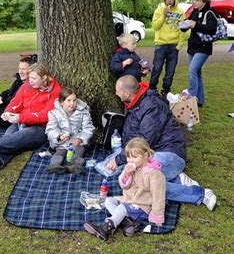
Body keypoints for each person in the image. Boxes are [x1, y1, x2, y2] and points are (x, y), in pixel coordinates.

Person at [106, 75, 216, 210]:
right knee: (129, 177)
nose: (116, 93)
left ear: (127, 93)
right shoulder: (135, 101)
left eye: (117, 91)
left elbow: (144, 140)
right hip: (153, 153)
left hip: (169, 152)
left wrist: (119, 159)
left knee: (142, 184)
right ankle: (178, 180)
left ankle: (200, 194)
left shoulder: (151, 106)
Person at [0, 63, 62, 173]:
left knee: (20, 136)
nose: (30, 81)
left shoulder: (55, 91)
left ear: (44, 78)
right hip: (21, 121)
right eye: (29, 77)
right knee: (11, 138)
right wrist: (8, 112)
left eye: (33, 78)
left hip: (43, 127)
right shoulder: (28, 85)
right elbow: (16, 101)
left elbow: (45, 115)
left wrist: (20, 118)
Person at [85, 138, 166, 241]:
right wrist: (127, 173)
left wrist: (156, 215)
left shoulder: (155, 174)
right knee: (108, 201)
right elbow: (124, 186)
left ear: (145, 155)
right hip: (128, 199)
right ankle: (128, 223)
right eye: (128, 157)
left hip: (142, 206)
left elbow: (159, 196)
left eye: (135, 157)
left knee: (121, 208)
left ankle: (104, 229)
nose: (131, 160)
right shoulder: (133, 167)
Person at [0, 54, 38, 130]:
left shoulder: (30, 87)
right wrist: (1, 97)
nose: (20, 72)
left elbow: (18, 110)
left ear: (31, 71)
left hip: (7, 121)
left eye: (23, 69)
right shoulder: (19, 81)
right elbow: (9, 92)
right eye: (19, 68)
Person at [181, 0, 218, 107]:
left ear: (204, 1)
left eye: (197, 0)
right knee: (197, 73)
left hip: (203, 47)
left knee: (192, 71)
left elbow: (212, 29)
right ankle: (200, 100)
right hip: (192, 47)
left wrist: (195, 25)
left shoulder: (210, 13)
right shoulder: (194, 12)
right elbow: (185, 28)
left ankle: (190, 100)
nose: (194, 2)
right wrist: (182, 25)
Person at [45, 88, 95, 174]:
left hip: (77, 140)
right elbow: (51, 129)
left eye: (74, 100)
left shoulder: (83, 112)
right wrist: (59, 136)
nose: (72, 103)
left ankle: (76, 166)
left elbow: (88, 128)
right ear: (61, 102)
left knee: (79, 151)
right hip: (63, 141)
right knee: (60, 152)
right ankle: (54, 166)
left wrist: (81, 139)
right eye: (68, 100)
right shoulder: (54, 113)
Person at [150, 0, 186, 98]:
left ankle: (165, 91)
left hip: (173, 46)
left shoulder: (180, 12)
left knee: (170, 71)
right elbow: (155, 27)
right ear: (164, 0)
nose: (169, 1)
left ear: (175, 0)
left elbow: (182, 30)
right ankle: (152, 89)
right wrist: (164, 15)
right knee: (157, 68)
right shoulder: (159, 10)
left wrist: (179, 46)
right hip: (160, 45)